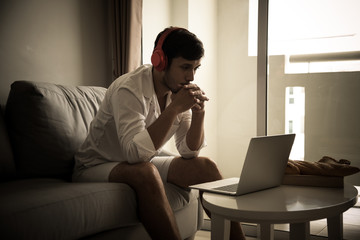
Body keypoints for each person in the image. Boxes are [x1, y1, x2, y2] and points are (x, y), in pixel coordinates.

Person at [72, 27, 245, 240]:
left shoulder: (177, 91)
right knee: (145, 171)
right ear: (160, 61)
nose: (191, 76)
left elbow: (188, 152)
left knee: (206, 168)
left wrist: (199, 114)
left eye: (195, 68)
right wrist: (174, 110)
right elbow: (134, 154)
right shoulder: (129, 88)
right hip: (95, 165)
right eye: (185, 67)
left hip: (140, 160)